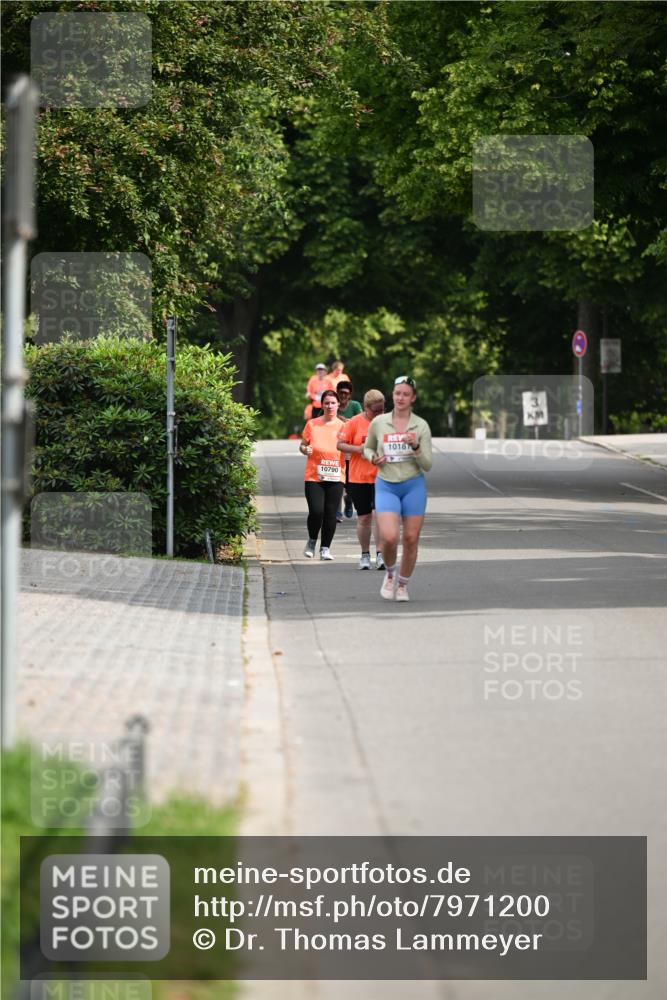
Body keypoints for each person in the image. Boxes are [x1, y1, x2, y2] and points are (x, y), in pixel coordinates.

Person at [363, 376, 432, 601]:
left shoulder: (420, 425)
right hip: (386, 485)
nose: (400, 397)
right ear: (392, 395)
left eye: (405, 394)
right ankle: (391, 574)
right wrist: (373, 457)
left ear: (413, 398)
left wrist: (416, 447)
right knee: (389, 537)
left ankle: (402, 585)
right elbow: (368, 448)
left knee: (411, 538)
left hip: (413, 485)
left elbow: (428, 465)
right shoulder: (379, 422)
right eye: (397, 393)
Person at [337, 389, 386, 570]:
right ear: (366, 408)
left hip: (382, 477)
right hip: (358, 477)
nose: (379, 414)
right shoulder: (354, 423)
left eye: (382, 410)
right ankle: (365, 555)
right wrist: (359, 449)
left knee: (379, 515)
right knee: (364, 518)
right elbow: (340, 445)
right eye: (375, 411)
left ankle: (380, 554)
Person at [299, 389, 345, 561]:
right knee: (316, 511)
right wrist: (306, 449)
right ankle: (312, 541)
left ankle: (325, 548)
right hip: (314, 476)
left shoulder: (343, 426)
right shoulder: (312, 424)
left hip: (336, 475)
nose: (330, 406)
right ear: (322, 404)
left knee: (331, 513)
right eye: (326, 403)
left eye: (333, 403)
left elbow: (349, 448)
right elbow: (302, 445)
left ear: (338, 404)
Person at [335, 380, 363, 520]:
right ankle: (337, 512)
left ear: (350, 395)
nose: (343, 395)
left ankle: (349, 500)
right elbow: (321, 420)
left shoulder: (355, 406)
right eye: (340, 392)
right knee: (337, 483)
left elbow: (362, 422)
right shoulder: (332, 405)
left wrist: (346, 421)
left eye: (346, 393)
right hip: (334, 451)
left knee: (350, 484)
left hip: (351, 452)